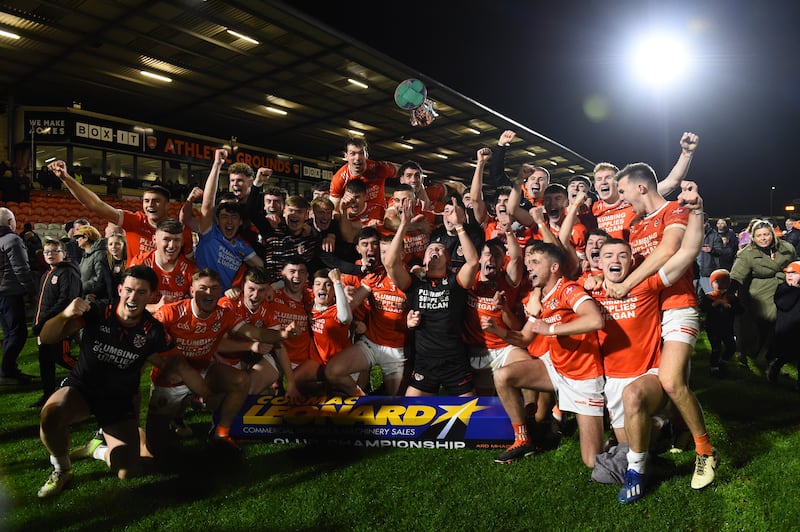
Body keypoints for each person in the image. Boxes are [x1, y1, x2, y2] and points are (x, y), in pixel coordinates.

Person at [592, 181, 705, 502]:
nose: (615, 259)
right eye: (608, 255)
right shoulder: (588, 289)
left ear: (633, 262)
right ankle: (662, 434)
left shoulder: (647, 284)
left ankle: (636, 471)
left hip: (647, 377)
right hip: (612, 382)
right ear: (597, 263)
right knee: (619, 449)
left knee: (634, 403)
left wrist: (697, 210)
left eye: (623, 255)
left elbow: (688, 250)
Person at [611, 162, 719, 489]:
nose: (622, 199)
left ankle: (706, 451)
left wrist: (628, 283)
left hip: (677, 305)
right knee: (669, 387)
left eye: (623, 191)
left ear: (641, 187)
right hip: (648, 310)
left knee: (672, 382)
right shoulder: (634, 224)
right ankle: (677, 430)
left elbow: (673, 249)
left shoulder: (673, 210)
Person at [36, 266, 180, 498]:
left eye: (141, 292)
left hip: (118, 401)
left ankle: (99, 450)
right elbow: (46, 337)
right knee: (51, 415)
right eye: (129, 290)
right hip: (83, 389)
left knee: (127, 471)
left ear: (152, 296)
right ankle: (62, 469)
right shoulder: (98, 311)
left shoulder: (153, 331)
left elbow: (173, 363)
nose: (133, 297)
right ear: (121, 289)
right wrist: (65, 314)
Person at [148, 268, 295, 454]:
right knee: (156, 449)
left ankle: (221, 433)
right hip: (171, 379)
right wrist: (164, 366)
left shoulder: (224, 313)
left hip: (203, 372)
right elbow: (146, 345)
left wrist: (283, 334)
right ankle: (165, 421)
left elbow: (256, 333)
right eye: (203, 288)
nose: (209, 293)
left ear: (220, 291)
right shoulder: (171, 312)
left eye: (214, 288)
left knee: (241, 380)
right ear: (192, 291)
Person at [486, 242, 605, 467]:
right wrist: (497, 329)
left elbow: (594, 320)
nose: (530, 267)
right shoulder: (541, 297)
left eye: (535, 262)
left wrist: (550, 330)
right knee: (502, 376)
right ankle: (522, 439)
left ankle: (628, 450)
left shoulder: (569, 290)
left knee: (592, 461)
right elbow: (524, 338)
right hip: (556, 367)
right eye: (528, 262)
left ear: (554, 267)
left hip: (583, 376)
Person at [385, 197, 479, 397]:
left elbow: (472, 263)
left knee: (469, 414)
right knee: (411, 414)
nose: (434, 250)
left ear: (447, 259)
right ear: (424, 259)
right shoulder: (414, 283)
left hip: (455, 361)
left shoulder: (456, 282)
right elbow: (391, 264)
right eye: (430, 250)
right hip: (425, 362)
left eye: (440, 249)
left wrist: (460, 225)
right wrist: (403, 225)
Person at [48, 160, 193, 261]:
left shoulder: (180, 230)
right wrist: (66, 178)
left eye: (156, 201)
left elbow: (188, 265)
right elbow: (95, 204)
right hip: (135, 293)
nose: (150, 205)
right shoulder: (135, 221)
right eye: (146, 201)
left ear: (168, 205)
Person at [325, 227, 409, 396]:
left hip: (397, 351)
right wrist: (341, 294)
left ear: (402, 254)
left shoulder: (411, 277)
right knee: (332, 371)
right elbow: (352, 304)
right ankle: (362, 397)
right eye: (384, 252)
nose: (386, 257)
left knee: (396, 403)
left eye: (390, 252)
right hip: (370, 343)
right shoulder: (374, 275)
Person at [217, 267, 300, 399]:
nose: (255, 296)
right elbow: (215, 344)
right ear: (243, 286)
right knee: (232, 397)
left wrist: (291, 383)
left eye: (261, 290)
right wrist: (250, 346)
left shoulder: (268, 307)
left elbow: (279, 346)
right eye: (251, 289)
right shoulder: (228, 304)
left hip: (249, 357)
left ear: (268, 289)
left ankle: (261, 390)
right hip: (223, 360)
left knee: (249, 391)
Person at [195, 149, 264, 292]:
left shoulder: (243, 246)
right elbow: (207, 205)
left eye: (234, 218)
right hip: (200, 295)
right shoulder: (210, 233)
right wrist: (217, 165)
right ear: (218, 219)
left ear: (240, 222)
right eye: (225, 217)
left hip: (226, 301)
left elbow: (261, 267)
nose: (229, 222)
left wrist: (241, 286)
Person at [730, 219, 797, 363]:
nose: (763, 238)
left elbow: (795, 263)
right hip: (759, 292)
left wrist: (795, 276)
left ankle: (773, 356)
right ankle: (760, 355)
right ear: (753, 238)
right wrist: (729, 294)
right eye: (759, 235)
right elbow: (736, 276)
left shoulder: (787, 248)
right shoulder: (747, 253)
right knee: (764, 324)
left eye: (766, 234)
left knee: (785, 324)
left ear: (772, 234)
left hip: (786, 289)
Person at [30, 238, 82, 407]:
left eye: (55, 251)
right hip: (45, 325)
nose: (50, 255)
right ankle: (47, 395)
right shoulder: (47, 273)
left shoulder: (68, 273)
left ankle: (92, 374)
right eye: (47, 252)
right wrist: (39, 321)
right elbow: (41, 302)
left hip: (60, 324)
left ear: (64, 254)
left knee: (62, 357)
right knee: (45, 360)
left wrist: (45, 320)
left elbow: (66, 300)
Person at [0, 207, 36, 384]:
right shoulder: (12, 240)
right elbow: (21, 269)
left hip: (2, 295)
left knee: (9, 333)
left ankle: (8, 369)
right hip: (10, 294)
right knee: (18, 333)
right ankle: (7, 370)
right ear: (9, 222)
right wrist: (32, 290)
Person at [128, 219, 197, 312]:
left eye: (176, 240)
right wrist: (157, 307)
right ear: (154, 240)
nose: (172, 245)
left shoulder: (190, 269)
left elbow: (196, 306)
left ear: (182, 242)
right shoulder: (140, 264)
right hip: (144, 320)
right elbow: (128, 303)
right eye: (166, 239)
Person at [328, 137, 397, 211]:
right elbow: (334, 210)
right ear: (346, 156)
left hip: (378, 218)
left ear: (366, 155)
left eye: (361, 153)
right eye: (352, 153)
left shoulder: (379, 168)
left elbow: (402, 171)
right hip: (353, 219)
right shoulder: (339, 179)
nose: (357, 158)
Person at [699, 269, 741, 376]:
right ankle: (714, 367)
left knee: (731, 346)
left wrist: (729, 306)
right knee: (716, 348)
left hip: (727, 327)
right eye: (717, 282)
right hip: (713, 327)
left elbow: (740, 310)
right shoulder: (709, 296)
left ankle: (723, 362)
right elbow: (703, 308)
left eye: (724, 281)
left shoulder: (731, 298)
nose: (721, 284)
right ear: (712, 283)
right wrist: (715, 304)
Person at [767, 261, 800, 388]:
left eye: (794, 273)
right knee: (784, 355)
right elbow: (785, 304)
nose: (790, 275)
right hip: (786, 331)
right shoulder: (783, 289)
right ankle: (774, 368)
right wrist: (794, 289)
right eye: (788, 273)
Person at [73, 225, 116, 301]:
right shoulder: (86, 255)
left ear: (85, 237)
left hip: (97, 299)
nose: (76, 240)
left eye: (78, 238)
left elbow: (100, 279)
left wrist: (80, 288)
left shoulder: (99, 254)